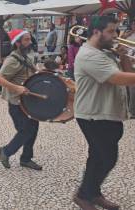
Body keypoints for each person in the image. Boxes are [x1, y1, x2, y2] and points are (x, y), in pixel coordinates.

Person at [72, 16, 134, 210]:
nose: (116, 35)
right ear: (96, 32)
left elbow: (127, 71)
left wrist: (123, 56)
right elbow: (118, 78)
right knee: (107, 157)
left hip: (106, 112)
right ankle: (84, 195)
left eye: (116, 30)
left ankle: (92, 193)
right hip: (93, 115)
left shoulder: (106, 51)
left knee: (98, 157)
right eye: (111, 31)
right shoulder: (90, 55)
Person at [0, 29, 42, 171]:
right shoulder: (12, 60)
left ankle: (26, 159)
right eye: (26, 40)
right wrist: (16, 88)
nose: (30, 42)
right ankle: (6, 151)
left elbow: (34, 72)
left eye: (29, 39)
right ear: (17, 43)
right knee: (25, 131)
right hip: (17, 103)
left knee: (33, 129)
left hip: (28, 102)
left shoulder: (26, 58)